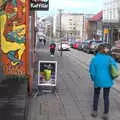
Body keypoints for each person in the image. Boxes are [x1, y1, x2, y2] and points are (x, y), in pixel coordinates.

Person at [89, 44, 118, 120]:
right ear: (105, 50)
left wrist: (93, 79)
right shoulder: (109, 58)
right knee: (106, 97)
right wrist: (111, 78)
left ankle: (95, 111)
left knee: (96, 95)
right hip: (107, 80)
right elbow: (115, 69)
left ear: (98, 50)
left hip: (98, 80)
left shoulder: (95, 59)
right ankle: (106, 114)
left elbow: (92, 71)